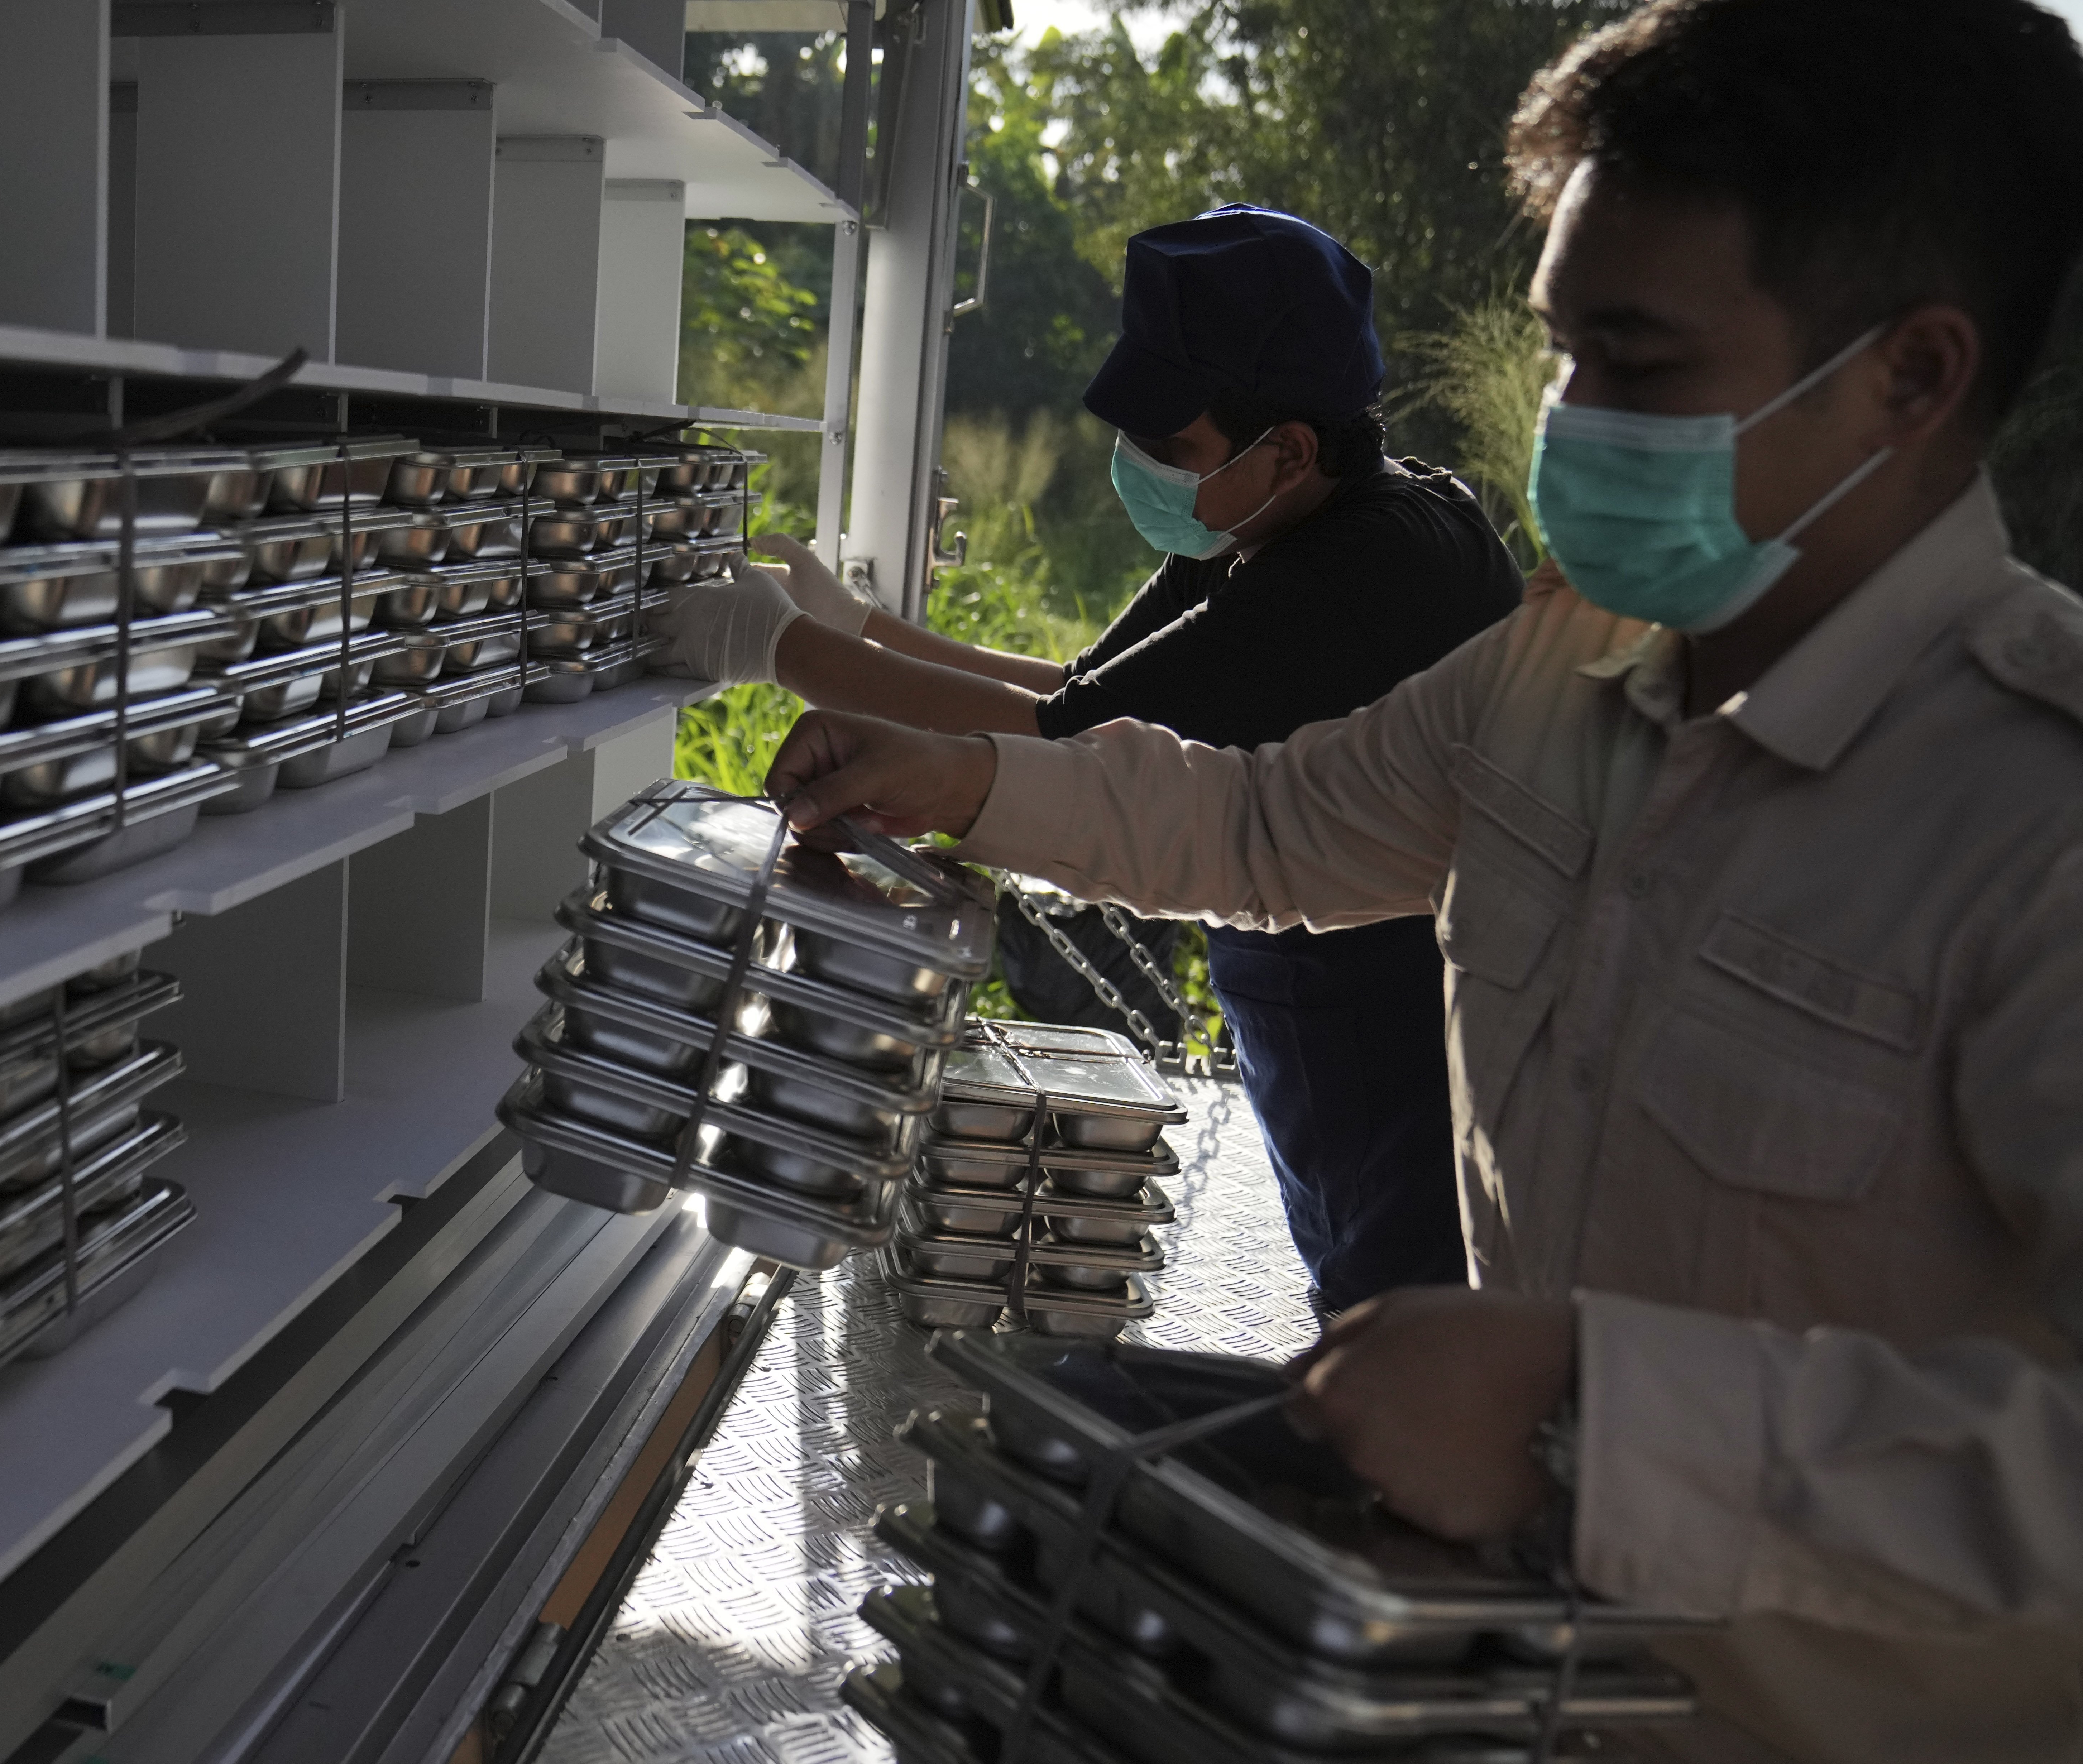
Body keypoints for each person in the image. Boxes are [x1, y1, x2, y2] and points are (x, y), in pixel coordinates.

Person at [759, 0, 2083, 1756]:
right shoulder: (1565, 669)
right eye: (1559, 355)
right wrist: (964, 782)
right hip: (1493, 1681)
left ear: (1908, 375)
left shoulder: (2030, 818)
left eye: (1639, 362)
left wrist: (1591, 1412)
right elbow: (1268, 828)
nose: (1569, 424)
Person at [654, 207, 1522, 1314]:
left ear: (1290, 446)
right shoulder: (1269, 519)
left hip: (1395, 1043)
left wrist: (781, 650)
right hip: (1308, 1011)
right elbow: (1080, 693)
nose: (1140, 470)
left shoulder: (1358, 580)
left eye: (1172, 450)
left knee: (1401, 1326)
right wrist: (860, 631)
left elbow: (1060, 749)